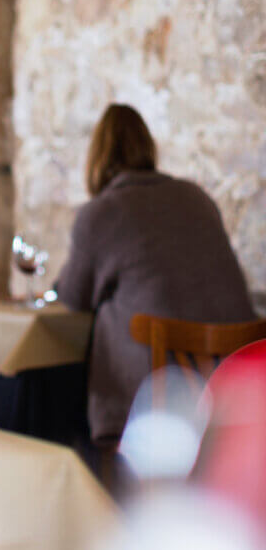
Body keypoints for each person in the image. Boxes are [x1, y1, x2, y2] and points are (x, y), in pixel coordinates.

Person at [55, 103, 255, 444]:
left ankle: (101, 484)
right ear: (149, 147)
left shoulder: (101, 213)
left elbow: (74, 298)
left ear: (96, 157)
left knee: (98, 331)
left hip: (163, 400)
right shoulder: (196, 196)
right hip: (233, 387)